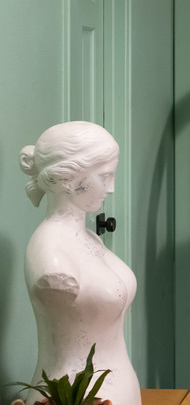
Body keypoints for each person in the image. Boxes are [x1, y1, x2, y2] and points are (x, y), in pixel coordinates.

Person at [18, 121, 141, 405]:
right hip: (75, 395)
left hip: (120, 388)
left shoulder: (89, 239)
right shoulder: (50, 254)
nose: (111, 188)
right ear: (71, 178)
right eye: (105, 176)